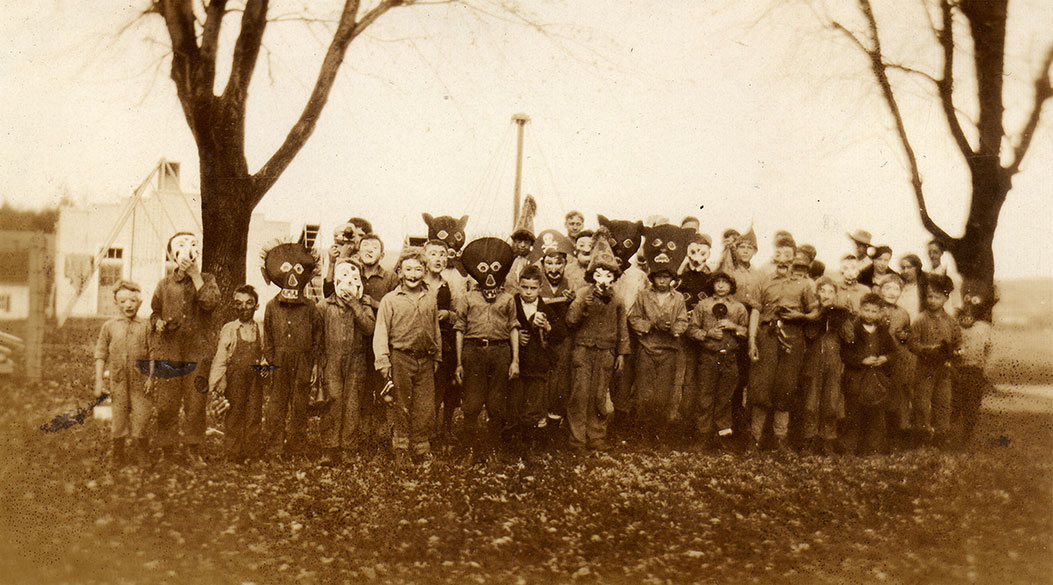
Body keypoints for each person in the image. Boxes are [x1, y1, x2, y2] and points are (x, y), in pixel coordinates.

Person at [150, 232, 221, 466]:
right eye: (180, 246)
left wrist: (195, 275)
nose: (187, 250)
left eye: (192, 245)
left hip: (197, 351)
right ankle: (166, 449)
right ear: (172, 254)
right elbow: (155, 312)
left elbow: (210, 303)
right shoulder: (164, 284)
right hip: (170, 350)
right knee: (167, 402)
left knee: (195, 402)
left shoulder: (207, 280)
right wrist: (157, 322)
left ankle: (193, 449)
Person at [746, 236, 817, 454]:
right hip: (766, 336)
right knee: (761, 387)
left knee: (785, 388)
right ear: (774, 256)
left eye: (789, 255)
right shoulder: (763, 281)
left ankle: (780, 438)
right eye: (780, 255)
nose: (784, 260)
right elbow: (756, 311)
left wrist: (801, 316)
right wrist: (751, 341)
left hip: (792, 337)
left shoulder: (804, 284)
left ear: (795, 257)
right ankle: (754, 438)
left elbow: (815, 312)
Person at [373, 249, 443, 465]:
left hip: (425, 359)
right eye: (408, 269)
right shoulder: (390, 300)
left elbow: (435, 328)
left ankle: (421, 447)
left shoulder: (430, 297)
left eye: (418, 269)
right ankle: (401, 447)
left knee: (424, 406)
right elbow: (381, 331)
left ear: (424, 272)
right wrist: (383, 360)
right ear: (400, 272)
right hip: (400, 357)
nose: (413, 274)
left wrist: (437, 356)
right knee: (401, 404)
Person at [454, 238, 520, 461]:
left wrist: (515, 361)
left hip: (500, 352)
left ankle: (493, 448)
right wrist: (459, 362)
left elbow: (513, 328)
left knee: (496, 403)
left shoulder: (508, 299)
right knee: (471, 404)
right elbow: (460, 329)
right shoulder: (468, 298)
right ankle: (469, 449)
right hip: (473, 352)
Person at [565, 230, 630, 452]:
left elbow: (623, 328)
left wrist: (621, 354)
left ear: (614, 278)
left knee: (599, 396)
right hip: (583, 351)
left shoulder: (618, 300)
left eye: (608, 276)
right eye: (599, 275)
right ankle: (577, 440)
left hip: (606, 353)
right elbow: (571, 321)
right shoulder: (583, 294)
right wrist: (583, 305)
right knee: (579, 396)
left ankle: (596, 437)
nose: (603, 280)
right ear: (592, 275)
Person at [260, 242, 324, 460]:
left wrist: (313, 362)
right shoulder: (272, 306)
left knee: (299, 405)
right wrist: (271, 358)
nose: (292, 278)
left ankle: (296, 448)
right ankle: (273, 448)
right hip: (279, 360)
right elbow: (267, 334)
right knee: (276, 404)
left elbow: (317, 336)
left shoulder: (310, 307)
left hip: (303, 361)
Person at [317, 259, 376, 466]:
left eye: (353, 279)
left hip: (356, 361)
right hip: (331, 360)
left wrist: (354, 305)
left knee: (352, 403)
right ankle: (329, 447)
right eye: (343, 278)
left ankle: (348, 447)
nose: (348, 284)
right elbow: (317, 337)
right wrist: (320, 363)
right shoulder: (324, 306)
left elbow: (369, 328)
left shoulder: (363, 306)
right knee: (333, 401)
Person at [685, 272, 748, 450]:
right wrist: (707, 334)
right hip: (708, 357)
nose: (720, 286)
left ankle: (724, 438)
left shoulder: (738, 308)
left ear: (731, 286)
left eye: (725, 283)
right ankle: (703, 436)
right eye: (717, 282)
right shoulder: (703, 306)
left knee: (725, 399)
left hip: (729, 358)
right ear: (712, 285)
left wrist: (734, 327)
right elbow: (691, 330)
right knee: (705, 397)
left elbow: (746, 332)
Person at [94, 280, 151, 468]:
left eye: (133, 301)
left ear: (140, 303)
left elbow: (154, 354)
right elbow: (101, 353)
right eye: (124, 301)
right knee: (119, 417)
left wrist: (151, 377)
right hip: (118, 381)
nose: (129, 305)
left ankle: (142, 452)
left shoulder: (146, 326)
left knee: (142, 417)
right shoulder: (109, 326)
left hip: (140, 381)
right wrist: (98, 381)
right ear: (116, 303)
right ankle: (118, 454)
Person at [628, 264, 689, 441]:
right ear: (652, 278)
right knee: (644, 392)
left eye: (666, 277)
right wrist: (651, 325)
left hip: (668, 350)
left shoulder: (677, 298)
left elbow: (682, 321)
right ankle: (642, 432)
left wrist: (674, 330)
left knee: (663, 394)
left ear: (672, 279)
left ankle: (660, 432)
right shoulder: (644, 295)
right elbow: (634, 317)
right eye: (658, 277)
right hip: (647, 348)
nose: (662, 280)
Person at [208, 285, 266, 463]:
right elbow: (221, 357)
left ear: (256, 306)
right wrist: (217, 382)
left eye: (249, 303)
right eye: (239, 303)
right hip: (235, 379)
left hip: (255, 379)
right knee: (234, 415)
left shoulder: (261, 329)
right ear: (234, 306)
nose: (244, 308)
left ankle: (252, 453)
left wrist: (264, 364)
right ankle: (233, 455)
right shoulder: (230, 329)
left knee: (253, 414)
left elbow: (265, 352)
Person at [509, 266, 564, 455]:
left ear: (540, 288)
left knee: (533, 407)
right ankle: (511, 446)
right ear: (518, 286)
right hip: (516, 364)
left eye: (533, 288)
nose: (528, 292)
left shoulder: (546, 308)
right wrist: (515, 337)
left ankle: (528, 446)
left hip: (537, 365)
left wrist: (548, 327)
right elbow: (502, 326)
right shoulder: (511, 305)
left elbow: (560, 334)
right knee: (514, 404)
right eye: (525, 287)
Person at [355, 234, 398, 449]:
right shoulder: (351, 273)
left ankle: (382, 433)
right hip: (357, 342)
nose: (369, 249)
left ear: (381, 254)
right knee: (361, 387)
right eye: (364, 246)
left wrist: (373, 302)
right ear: (358, 251)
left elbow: (397, 308)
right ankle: (363, 432)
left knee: (381, 385)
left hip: (380, 343)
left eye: (374, 247)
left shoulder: (390, 278)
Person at [908, 274, 962, 448]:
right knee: (922, 403)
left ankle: (941, 435)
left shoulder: (951, 322)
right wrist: (927, 350)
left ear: (945, 298)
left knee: (943, 403)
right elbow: (912, 343)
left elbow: (957, 342)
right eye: (929, 296)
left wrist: (953, 353)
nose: (932, 301)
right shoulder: (920, 320)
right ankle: (922, 436)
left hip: (944, 370)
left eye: (937, 297)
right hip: (925, 369)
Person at [841, 293, 896, 455]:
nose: (869, 315)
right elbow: (845, 353)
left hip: (876, 380)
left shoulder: (883, 331)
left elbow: (893, 352)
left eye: (874, 311)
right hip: (856, 379)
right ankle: (850, 448)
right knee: (854, 414)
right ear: (860, 310)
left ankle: (874, 448)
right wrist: (861, 361)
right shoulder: (853, 329)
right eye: (866, 310)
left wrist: (885, 358)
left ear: (879, 313)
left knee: (876, 414)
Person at [799, 277, 849, 456]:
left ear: (835, 295)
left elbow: (849, 338)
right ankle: (809, 439)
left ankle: (828, 440)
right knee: (810, 402)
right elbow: (809, 334)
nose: (826, 295)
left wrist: (840, 322)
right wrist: (820, 318)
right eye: (823, 291)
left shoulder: (841, 313)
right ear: (817, 293)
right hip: (813, 363)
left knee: (831, 402)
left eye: (830, 292)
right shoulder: (812, 313)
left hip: (834, 362)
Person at [422, 239, 461, 440]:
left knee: (448, 385)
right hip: (423, 342)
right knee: (428, 387)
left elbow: (460, 314)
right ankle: (428, 429)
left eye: (442, 255)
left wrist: (448, 314)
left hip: (446, 342)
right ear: (424, 257)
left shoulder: (449, 285)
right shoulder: (417, 282)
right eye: (433, 254)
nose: (438, 259)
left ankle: (446, 428)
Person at [878, 274, 914, 449]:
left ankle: (893, 437)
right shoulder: (875, 310)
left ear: (900, 292)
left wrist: (904, 336)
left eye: (896, 289)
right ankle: (876, 435)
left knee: (895, 396)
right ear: (880, 290)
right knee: (878, 394)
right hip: (878, 358)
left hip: (898, 360)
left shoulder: (903, 313)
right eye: (887, 288)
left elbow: (908, 336)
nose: (891, 292)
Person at [952, 303, 993, 445]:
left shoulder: (983, 329)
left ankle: (966, 436)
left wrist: (985, 366)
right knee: (955, 404)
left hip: (976, 370)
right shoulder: (954, 328)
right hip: (957, 371)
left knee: (972, 405)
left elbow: (989, 349)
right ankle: (949, 434)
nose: (967, 319)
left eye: (970, 316)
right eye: (963, 316)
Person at [897, 254, 925, 320]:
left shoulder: (923, 288)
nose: (906, 271)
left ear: (917, 268)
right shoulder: (899, 285)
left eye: (909, 267)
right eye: (903, 268)